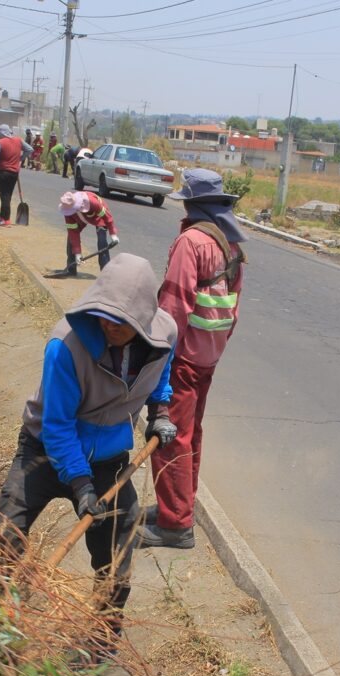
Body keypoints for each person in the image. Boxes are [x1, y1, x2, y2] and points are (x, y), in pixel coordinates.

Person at [0, 253, 178, 676]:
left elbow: (161, 376)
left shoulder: (164, 334)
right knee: (3, 533)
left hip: (109, 458)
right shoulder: (66, 346)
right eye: (105, 317)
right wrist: (80, 487)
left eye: (122, 321)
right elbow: (57, 426)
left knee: (118, 550)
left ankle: (102, 637)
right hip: (45, 448)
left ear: (145, 317)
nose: (110, 327)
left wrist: (160, 412)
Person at [136, 169, 247, 549]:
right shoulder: (230, 244)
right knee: (190, 434)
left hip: (181, 357)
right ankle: (178, 506)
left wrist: (157, 355)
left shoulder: (191, 241)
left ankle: (176, 525)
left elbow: (173, 305)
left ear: (190, 203)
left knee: (169, 436)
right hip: (208, 358)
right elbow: (234, 309)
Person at [56, 190, 119, 278]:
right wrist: (77, 253)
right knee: (71, 239)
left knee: (102, 241)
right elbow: (73, 232)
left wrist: (113, 234)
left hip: (98, 216)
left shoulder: (92, 202)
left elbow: (107, 217)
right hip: (80, 217)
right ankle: (71, 269)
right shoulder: (68, 211)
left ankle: (105, 274)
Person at [0, 124, 33, 226]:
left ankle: (6, 220)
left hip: (4, 173)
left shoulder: (0, 143)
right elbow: (30, 149)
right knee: (8, 195)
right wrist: (20, 159)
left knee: (4, 195)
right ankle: (2, 216)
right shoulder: (18, 140)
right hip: (14, 174)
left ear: (1, 133)